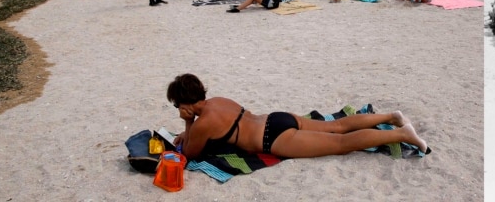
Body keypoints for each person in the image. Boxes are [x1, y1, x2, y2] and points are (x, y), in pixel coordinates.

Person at [166, 73, 429, 160]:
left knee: (340, 144)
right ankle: (391, 116)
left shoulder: (203, 123)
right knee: (336, 126)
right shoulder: (217, 102)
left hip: (273, 139)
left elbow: (188, 153)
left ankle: (401, 133)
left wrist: (188, 122)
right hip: (276, 119)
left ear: (185, 102)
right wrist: (189, 126)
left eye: (178, 104)